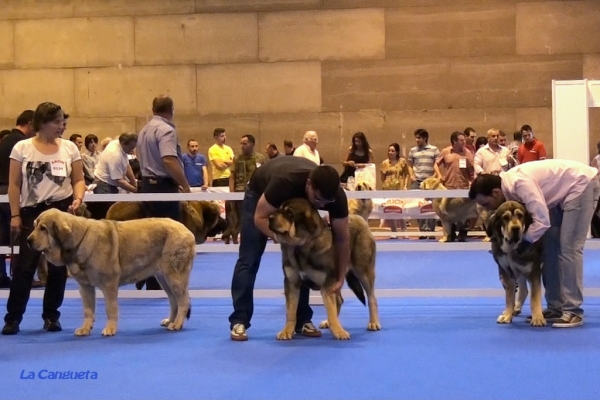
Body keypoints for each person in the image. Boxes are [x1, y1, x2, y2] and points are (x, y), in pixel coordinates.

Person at [229, 156, 349, 341]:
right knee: (249, 258)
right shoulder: (285, 183)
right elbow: (259, 218)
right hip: (260, 194)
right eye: (318, 200)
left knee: (303, 259)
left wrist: (340, 278)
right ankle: (239, 321)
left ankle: (302, 321)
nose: (321, 206)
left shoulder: (335, 197)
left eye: (326, 203)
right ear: (309, 185)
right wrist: (283, 239)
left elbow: (342, 239)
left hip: (295, 198)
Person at [468, 160, 600, 328]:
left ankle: (573, 310)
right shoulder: (510, 187)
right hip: (561, 196)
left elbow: (542, 222)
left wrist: (523, 241)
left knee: (569, 248)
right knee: (550, 249)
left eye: (486, 204)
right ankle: (555, 307)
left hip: (581, 184)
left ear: (495, 193)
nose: (488, 209)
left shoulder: (521, 183)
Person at [2, 102, 85, 335]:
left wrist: (78, 198)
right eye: (57, 122)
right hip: (32, 213)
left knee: (58, 269)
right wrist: (16, 214)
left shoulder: (69, 148)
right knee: (24, 268)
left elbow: (78, 179)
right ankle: (13, 317)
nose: (62, 126)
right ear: (43, 123)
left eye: (62, 121)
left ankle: (51, 316)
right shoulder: (22, 148)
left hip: (61, 213)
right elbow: (15, 184)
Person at [136, 95, 190, 290]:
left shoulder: (144, 130)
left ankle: (150, 278)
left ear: (153, 109)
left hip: (147, 185)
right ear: (172, 109)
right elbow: (168, 160)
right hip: (163, 186)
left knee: (152, 237)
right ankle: (168, 280)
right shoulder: (166, 130)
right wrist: (184, 184)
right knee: (170, 236)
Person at [0, 110, 35, 289]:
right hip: (11, 192)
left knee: (2, 238)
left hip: (1, 192)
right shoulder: (22, 144)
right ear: (29, 123)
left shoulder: (6, 140)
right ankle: (21, 277)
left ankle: (1, 276)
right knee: (19, 238)